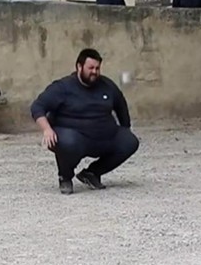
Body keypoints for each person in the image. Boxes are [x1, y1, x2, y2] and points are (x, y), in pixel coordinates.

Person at [30, 49, 140, 195]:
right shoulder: (63, 87)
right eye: (91, 68)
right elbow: (38, 106)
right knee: (69, 142)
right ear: (79, 67)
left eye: (97, 68)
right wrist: (46, 129)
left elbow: (120, 104)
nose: (94, 72)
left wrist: (126, 127)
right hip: (74, 136)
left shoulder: (107, 85)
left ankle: (92, 173)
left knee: (130, 142)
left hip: (104, 136)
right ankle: (65, 177)